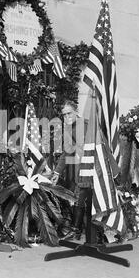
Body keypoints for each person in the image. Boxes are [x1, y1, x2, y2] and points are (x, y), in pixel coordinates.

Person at [51, 100, 88, 240]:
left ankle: (78, 230)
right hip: (78, 167)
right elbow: (67, 152)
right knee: (78, 195)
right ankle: (77, 229)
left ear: (76, 111)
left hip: (90, 167)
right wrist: (57, 172)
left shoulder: (85, 126)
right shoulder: (68, 128)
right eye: (64, 115)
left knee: (81, 195)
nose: (67, 117)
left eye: (69, 113)